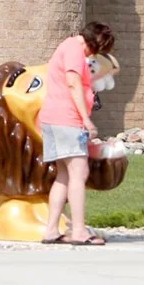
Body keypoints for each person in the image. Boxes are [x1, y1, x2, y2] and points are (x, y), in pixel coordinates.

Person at [40, 21, 116, 246]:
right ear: (95, 42)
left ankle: (51, 230)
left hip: (53, 119)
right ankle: (79, 231)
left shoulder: (67, 46)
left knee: (63, 175)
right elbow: (73, 83)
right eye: (98, 49)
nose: (94, 54)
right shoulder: (74, 49)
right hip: (67, 119)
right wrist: (86, 120)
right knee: (79, 172)